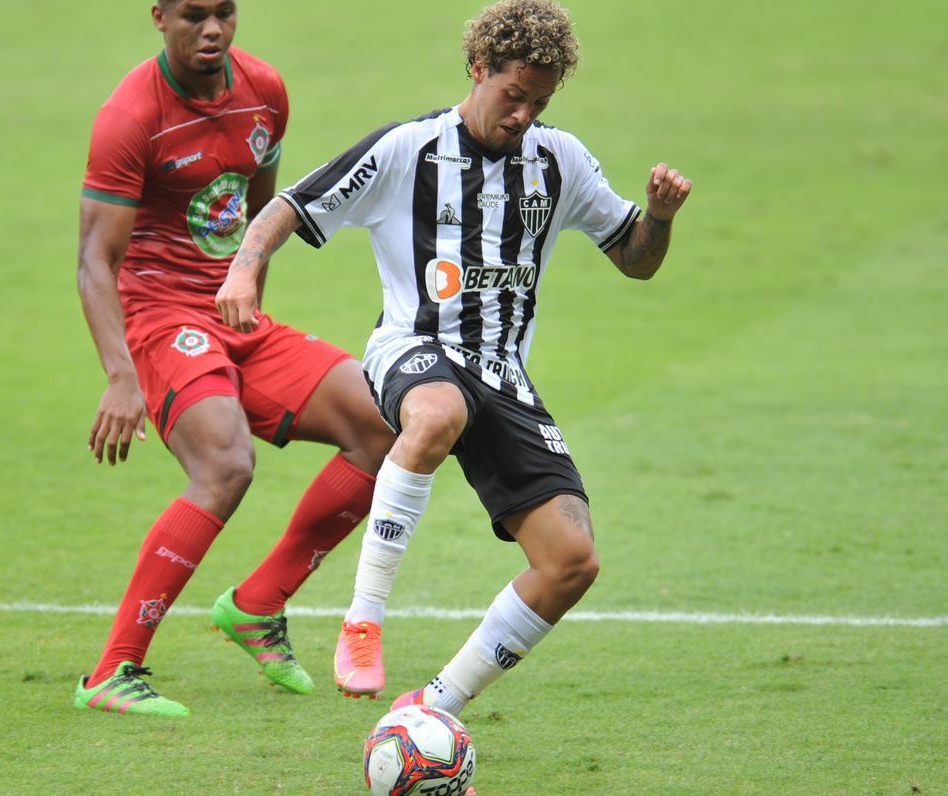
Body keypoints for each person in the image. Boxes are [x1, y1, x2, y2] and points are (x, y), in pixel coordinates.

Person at [216, 0, 692, 713]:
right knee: (437, 414)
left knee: (571, 562)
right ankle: (363, 621)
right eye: (514, 95)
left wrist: (659, 217)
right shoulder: (409, 149)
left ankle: (432, 708)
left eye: (540, 102)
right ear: (478, 68)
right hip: (414, 347)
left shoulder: (560, 160)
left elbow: (635, 258)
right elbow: (292, 204)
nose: (524, 115)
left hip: (504, 376)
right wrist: (244, 268)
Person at [72, 0, 395, 717]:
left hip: (230, 315)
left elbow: (258, 220)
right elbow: (95, 260)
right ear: (159, 16)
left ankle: (258, 604)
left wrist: (246, 305)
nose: (212, 29)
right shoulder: (130, 117)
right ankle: (111, 672)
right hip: (159, 317)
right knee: (224, 466)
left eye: (224, 12)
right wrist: (121, 374)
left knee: (383, 424)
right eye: (194, 15)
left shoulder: (265, 91)